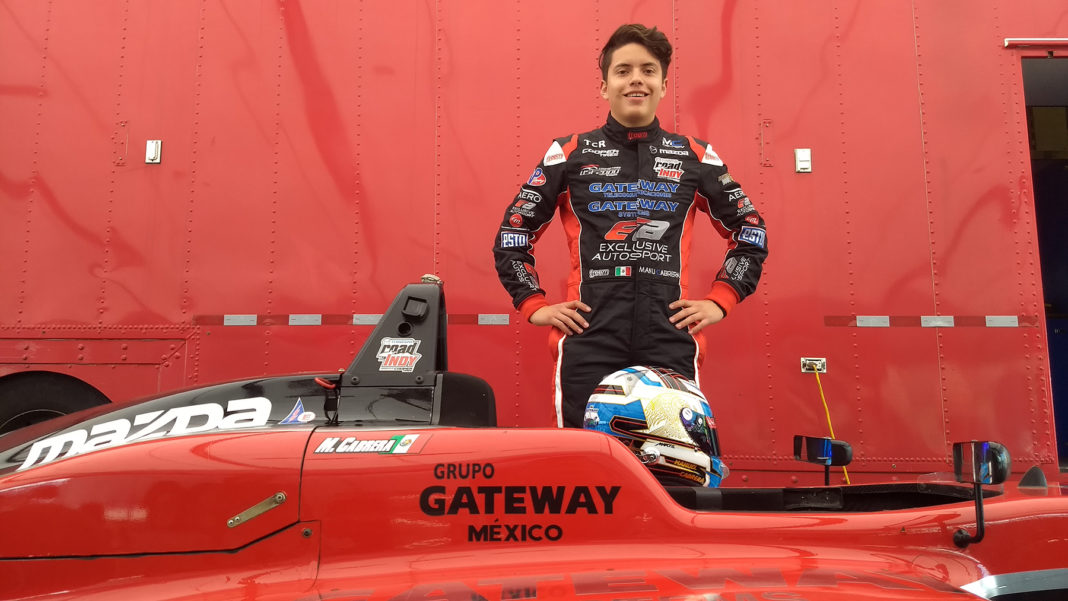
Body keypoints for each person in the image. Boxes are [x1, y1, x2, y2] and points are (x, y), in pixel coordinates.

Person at [492, 23, 768, 428]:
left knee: (671, 456)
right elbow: (513, 235)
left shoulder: (694, 156)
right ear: (605, 87)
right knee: (586, 456)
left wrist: (719, 300)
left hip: (669, 336)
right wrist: (533, 305)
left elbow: (750, 231)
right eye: (623, 71)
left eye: (648, 70)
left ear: (663, 85)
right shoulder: (568, 153)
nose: (636, 79)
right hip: (590, 334)